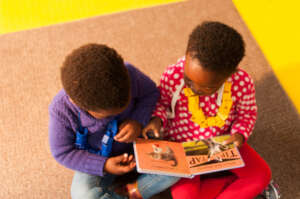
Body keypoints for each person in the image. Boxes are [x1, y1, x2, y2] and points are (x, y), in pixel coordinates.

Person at [143, 21, 278, 199]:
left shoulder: (242, 82)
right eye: (188, 79)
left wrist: (239, 135)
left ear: (230, 75)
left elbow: (247, 114)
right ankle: (234, 186)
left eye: (206, 87)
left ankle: (244, 186)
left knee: (261, 175)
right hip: (183, 148)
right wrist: (157, 120)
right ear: (186, 55)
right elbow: (161, 104)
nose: (193, 88)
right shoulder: (173, 75)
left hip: (221, 143)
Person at [48, 44, 179, 199]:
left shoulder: (129, 74)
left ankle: (132, 191)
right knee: (82, 194)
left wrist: (137, 121)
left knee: (176, 166)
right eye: (105, 115)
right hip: (98, 157)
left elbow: (150, 93)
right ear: (76, 103)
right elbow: (63, 152)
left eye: (124, 105)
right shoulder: (61, 110)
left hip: (139, 144)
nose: (115, 115)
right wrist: (104, 165)